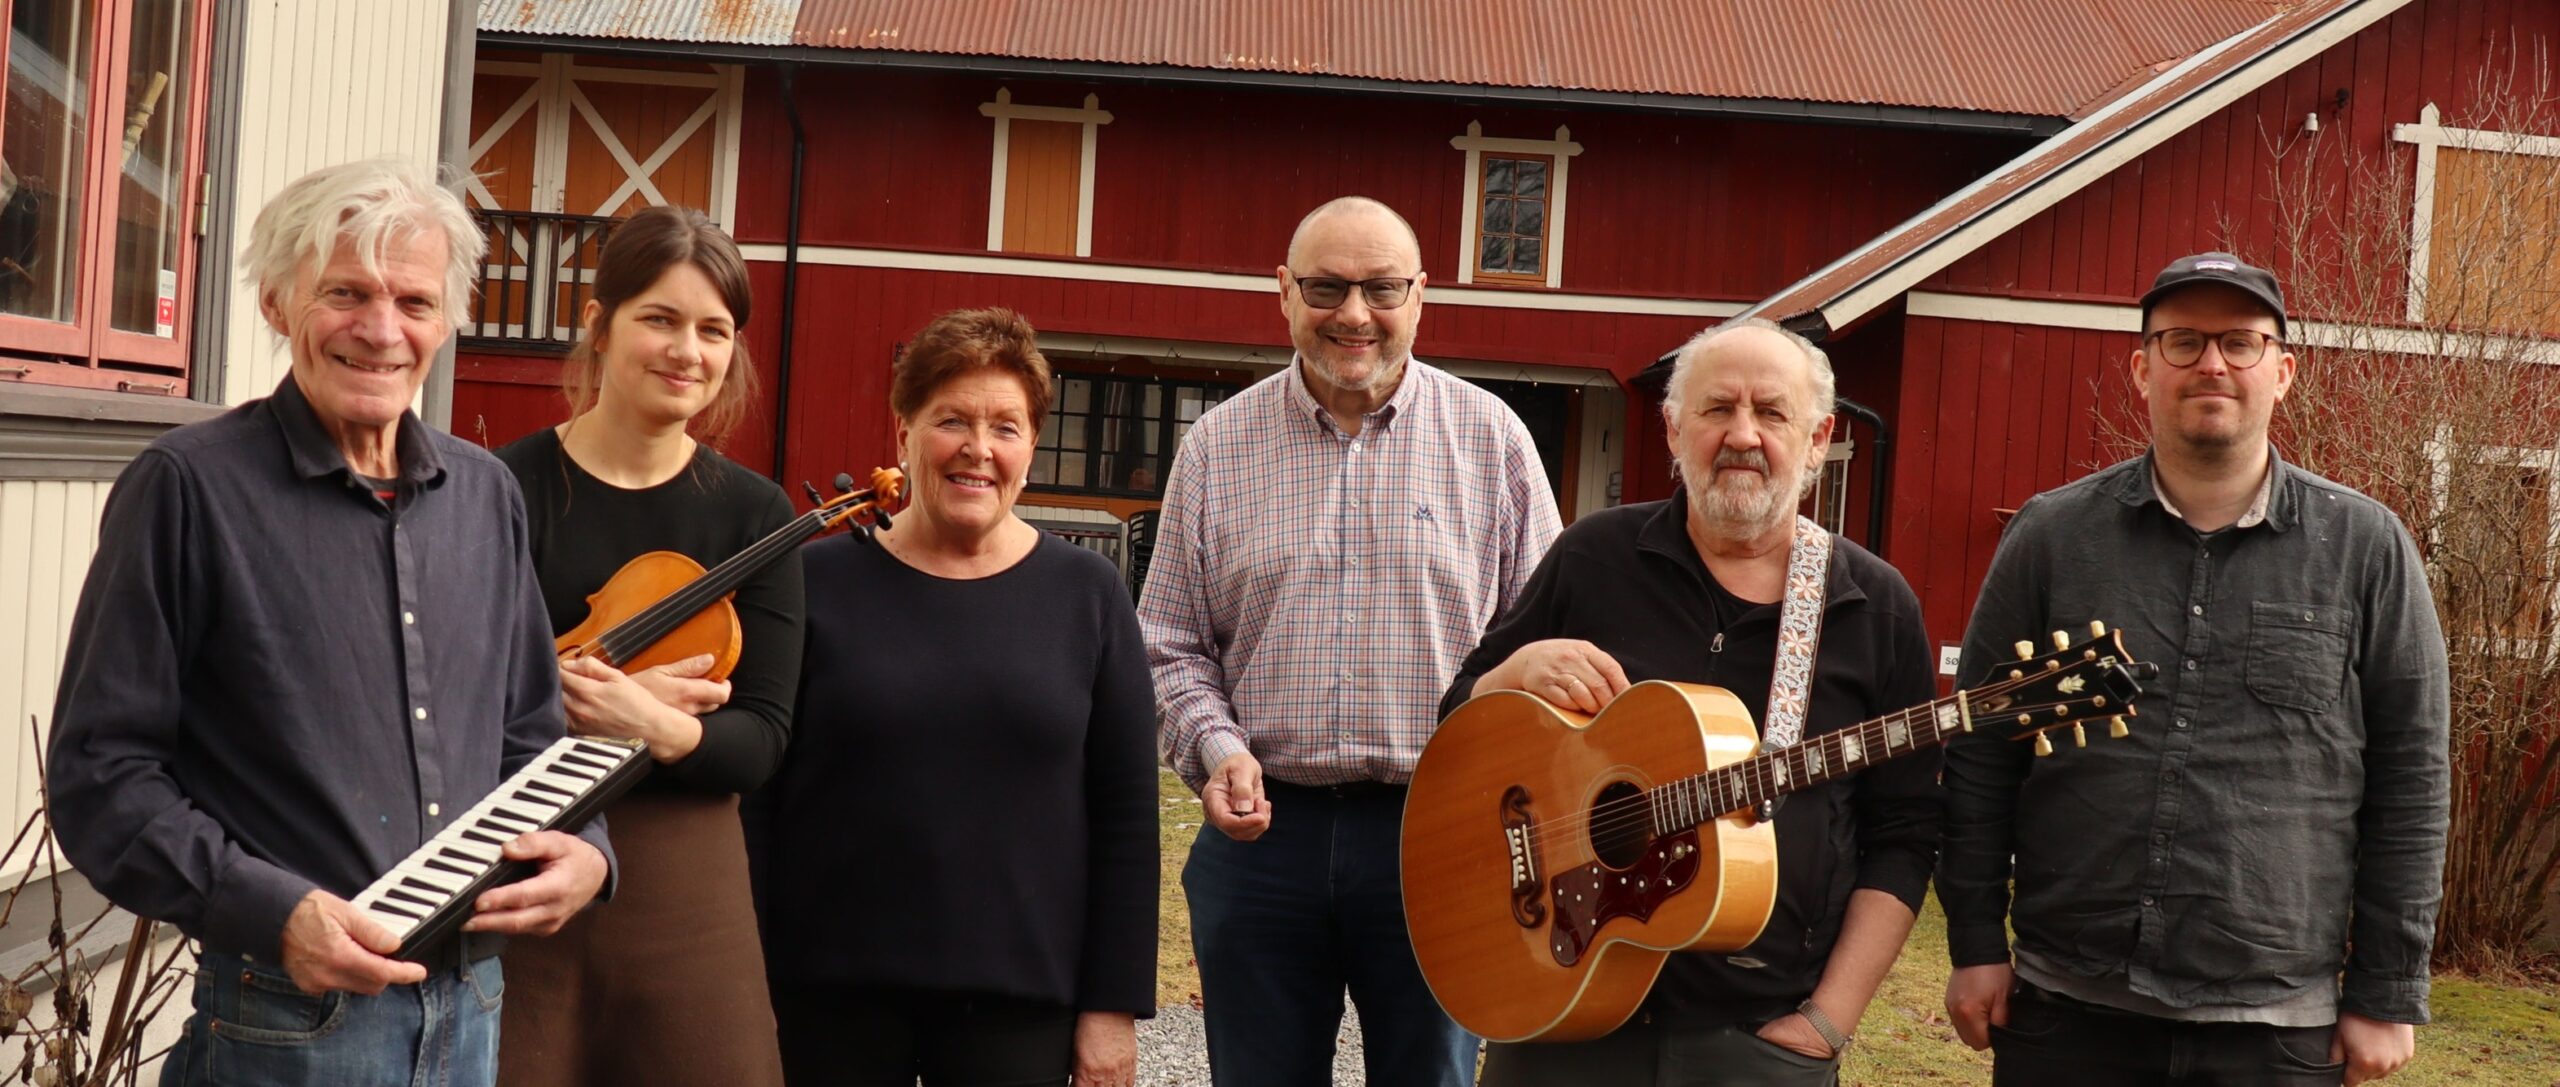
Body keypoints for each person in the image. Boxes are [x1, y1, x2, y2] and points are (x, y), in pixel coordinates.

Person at [45, 158, 611, 1087]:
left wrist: (588, 851)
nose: (382, 330)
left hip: (470, 1011)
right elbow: (101, 775)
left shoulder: (486, 495)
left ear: (449, 319)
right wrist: (272, 910)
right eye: (345, 293)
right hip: (287, 1023)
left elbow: (530, 743)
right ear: (277, 302)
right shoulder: (188, 489)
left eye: (415, 301)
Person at [1939, 252, 2450, 1087]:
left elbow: (2413, 777)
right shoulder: (2050, 538)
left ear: (2282, 371)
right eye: (2182, 341)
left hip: (2277, 1033)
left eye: (2240, 342)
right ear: (2142, 369)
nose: (2212, 362)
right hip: (2067, 1012)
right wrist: (1973, 941)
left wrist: (2388, 987)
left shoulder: (2368, 548)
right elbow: (1978, 751)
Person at [1139, 195, 1562, 1086]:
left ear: (1421, 296)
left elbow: (1549, 651)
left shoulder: (1495, 445)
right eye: (1327, 286)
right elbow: (1171, 643)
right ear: (1285, 293)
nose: (1355, 314)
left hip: (1443, 833)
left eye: (1381, 288)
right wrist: (1215, 750)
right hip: (1263, 839)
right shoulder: (1216, 449)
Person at [1451, 318, 1939, 1086]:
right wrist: (1507, 675)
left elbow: (1907, 834)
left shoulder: (1873, 605)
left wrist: (1824, 1024)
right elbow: (1458, 723)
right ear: (1675, 428)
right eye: (1717, 409)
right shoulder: (1594, 555)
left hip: (1756, 1041)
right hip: (1559, 1004)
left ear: (1817, 439)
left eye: (1772, 412)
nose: (1742, 435)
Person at [750, 307, 1159, 1087]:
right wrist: (748, 980)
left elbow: (1127, 820)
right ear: (903, 429)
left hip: (1019, 1007)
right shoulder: (816, 585)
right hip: (827, 1002)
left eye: (1006, 426)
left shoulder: (1089, 595)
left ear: (1031, 448)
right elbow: (759, 801)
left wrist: (1110, 1008)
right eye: (952, 421)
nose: (979, 448)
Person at [490, 205, 796, 1085]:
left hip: (687, 886)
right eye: (659, 319)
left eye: (713, 329)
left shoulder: (754, 514)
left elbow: (763, 737)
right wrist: (565, 695)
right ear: (598, 323)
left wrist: (654, 725)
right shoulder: (502, 489)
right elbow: (455, 695)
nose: (686, 351)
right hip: (525, 860)